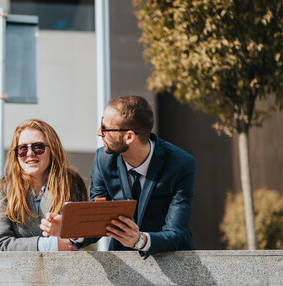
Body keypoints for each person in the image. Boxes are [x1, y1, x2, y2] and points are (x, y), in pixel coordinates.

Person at [40, 95, 195, 257]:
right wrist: (70, 227)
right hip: (122, 262)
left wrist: (140, 240)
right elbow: (96, 220)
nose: (99, 132)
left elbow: (177, 232)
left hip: (173, 262)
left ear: (129, 137)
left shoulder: (181, 164)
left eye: (105, 128)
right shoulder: (102, 159)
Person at [0, 119, 87, 251]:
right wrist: (49, 245)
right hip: (18, 270)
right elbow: (0, 244)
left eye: (38, 147)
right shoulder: (6, 187)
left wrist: (66, 229)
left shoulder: (71, 182)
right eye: (23, 148)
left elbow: (81, 239)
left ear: (52, 150)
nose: (30, 153)